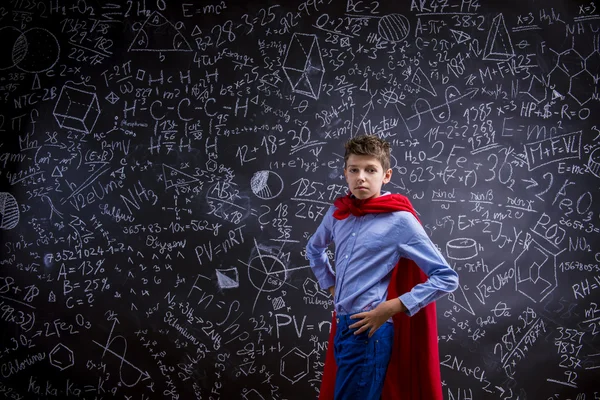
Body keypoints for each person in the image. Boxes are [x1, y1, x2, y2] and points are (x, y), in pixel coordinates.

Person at [305, 134, 459, 400]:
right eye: (354, 170)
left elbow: (446, 277)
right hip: (342, 325)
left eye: (370, 170)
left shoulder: (399, 220)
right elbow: (314, 250)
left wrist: (392, 306)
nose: (361, 177)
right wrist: (330, 284)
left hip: (370, 330)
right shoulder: (337, 213)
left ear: (386, 175)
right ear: (345, 173)